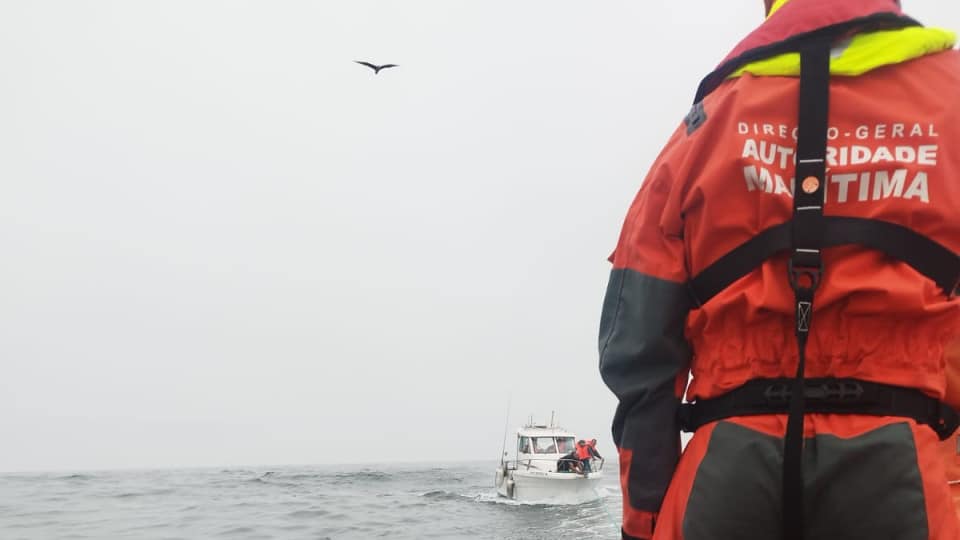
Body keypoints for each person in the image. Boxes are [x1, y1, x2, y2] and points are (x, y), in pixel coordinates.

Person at [597, 1, 960, 539]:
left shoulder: (705, 125)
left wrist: (643, 522)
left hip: (725, 470)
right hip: (904, 468)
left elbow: (638, 344)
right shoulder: (950, 98)